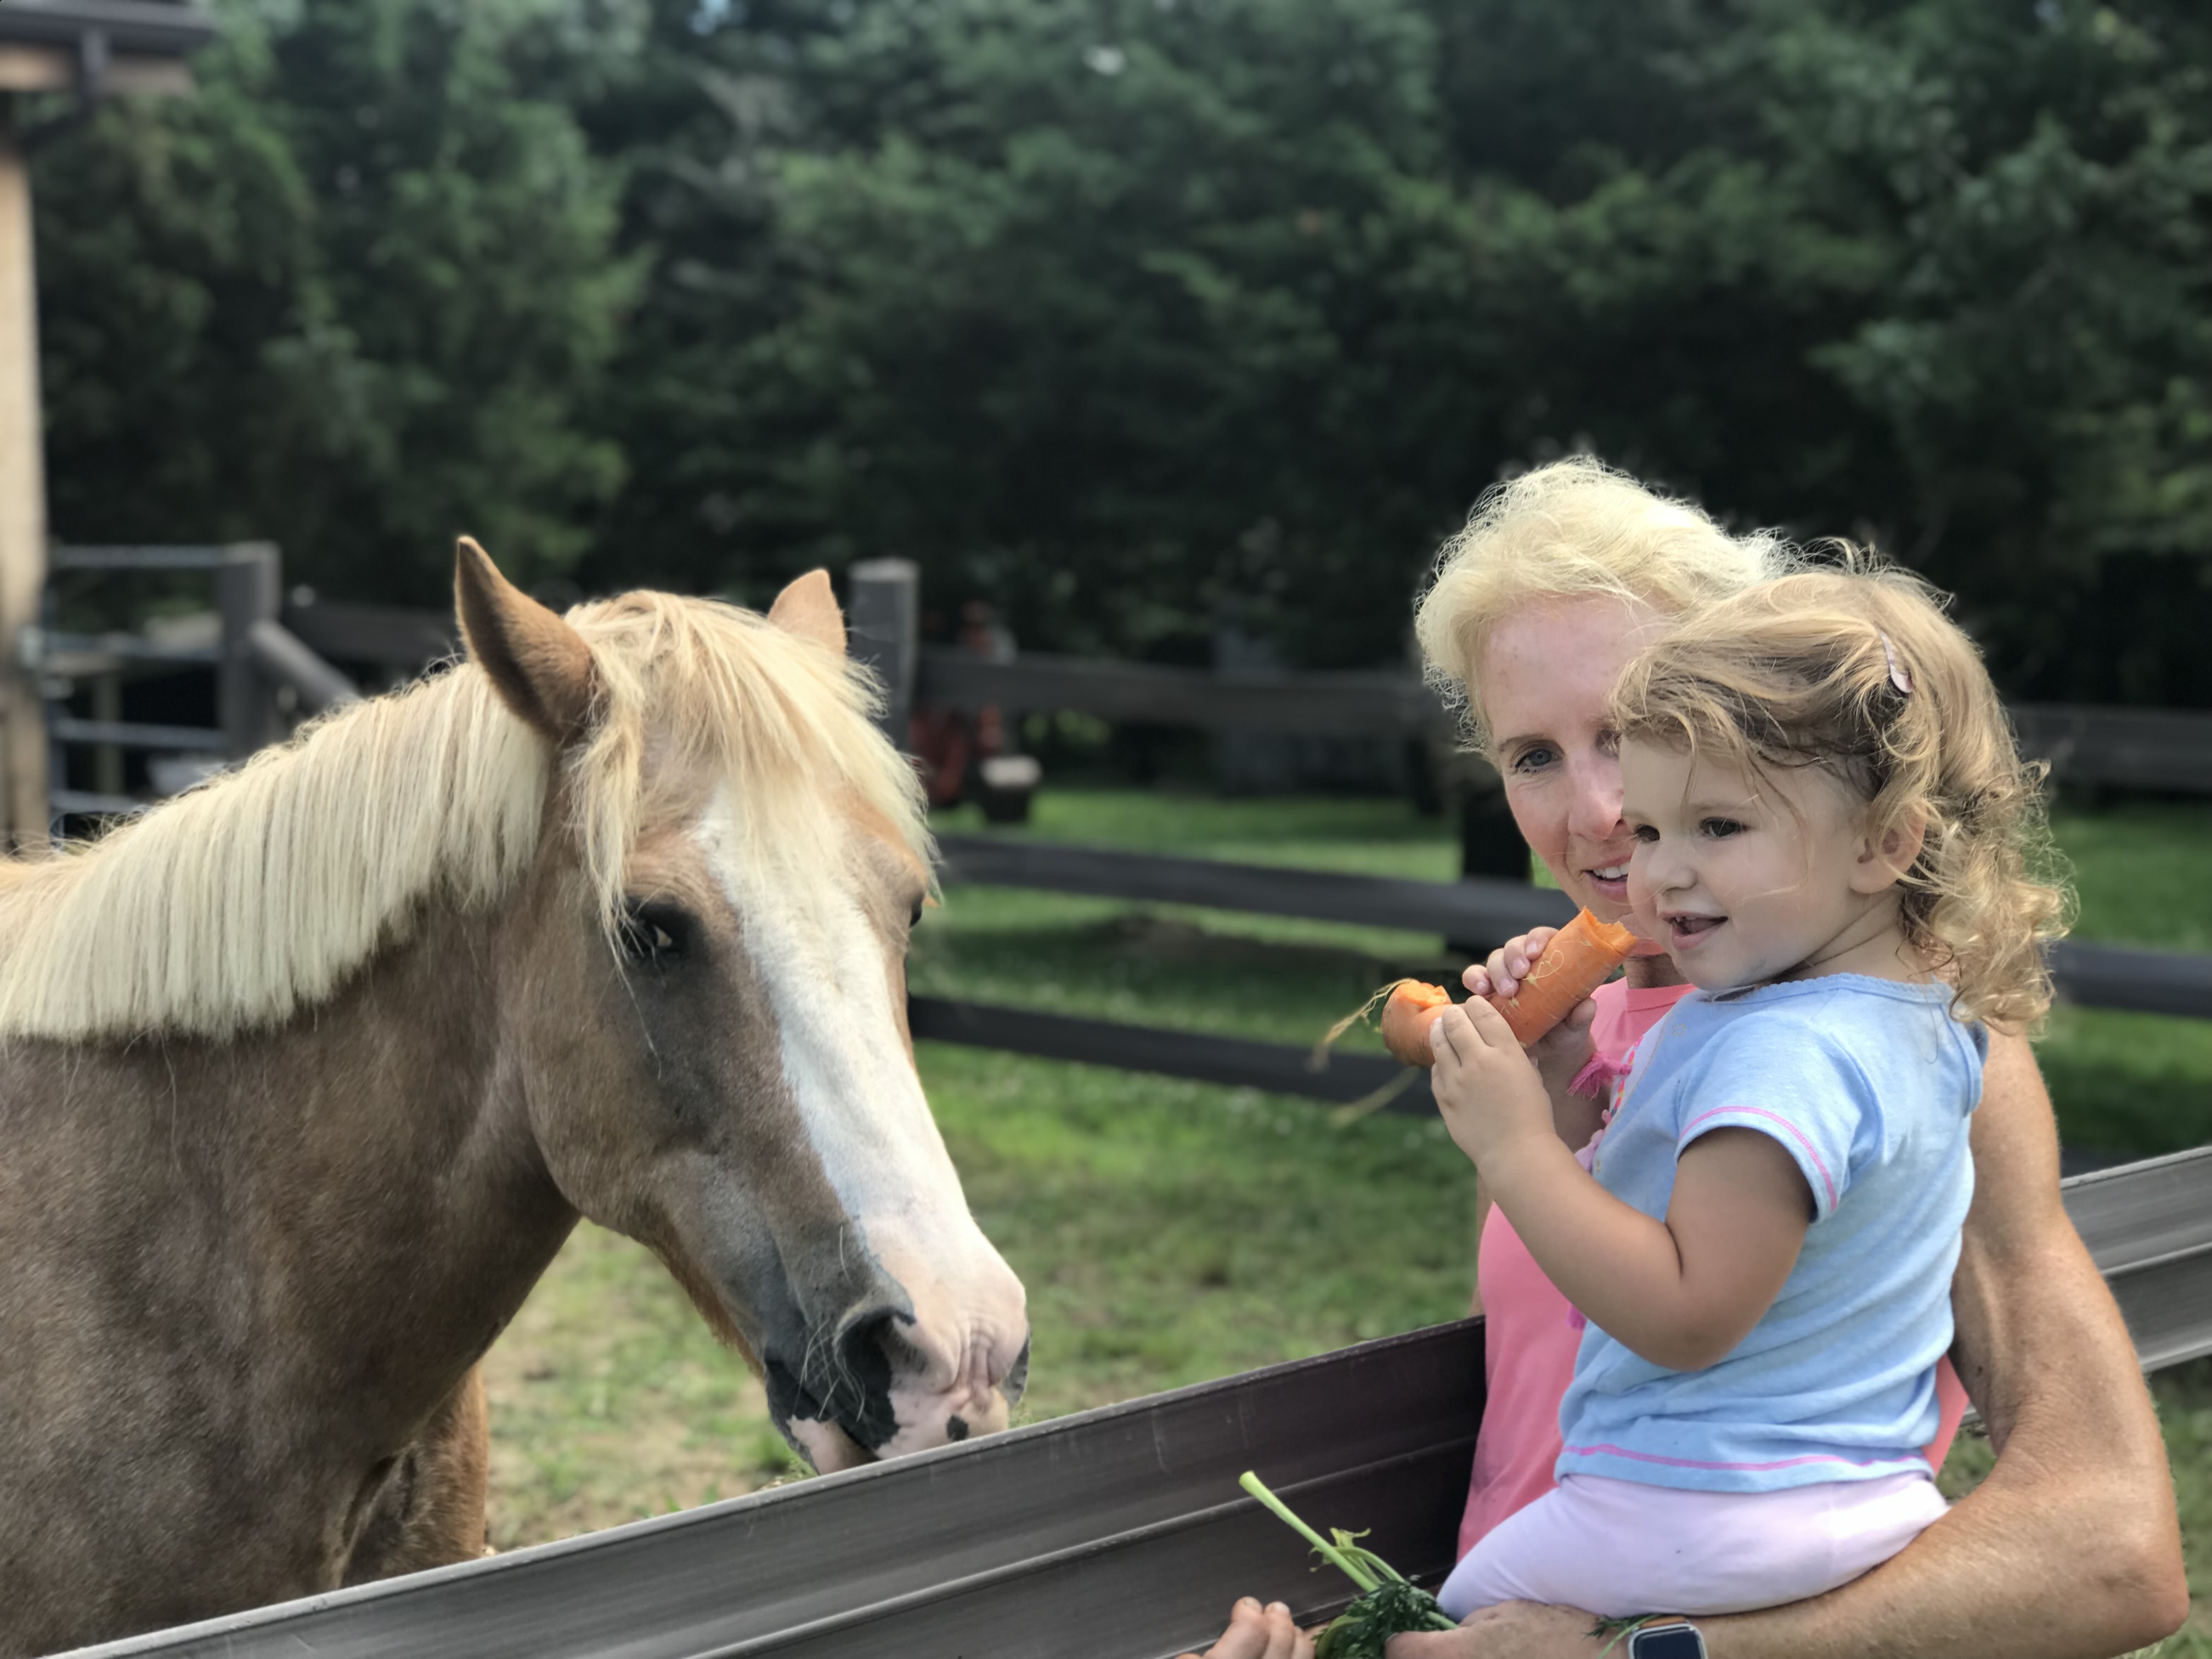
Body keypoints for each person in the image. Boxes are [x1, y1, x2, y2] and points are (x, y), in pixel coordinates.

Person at [1179, 459, 2183, 1659]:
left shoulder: (1900, 1037)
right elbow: (1548, 1441)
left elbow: (2112, 1553)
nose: (1597, 811)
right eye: (1533, 755)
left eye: (1628, 734)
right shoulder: (1586, 1042)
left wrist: (1633, 1656)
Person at [1434, 561, 2057, 1618]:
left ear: (1885, 842)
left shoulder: (1780, 1049)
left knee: (1456, 1617)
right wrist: (1567, 1102)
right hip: (1863, 1497)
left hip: (1701, 1503)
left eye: (1717, 827)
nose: (1656, 872)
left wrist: (1514, 1147)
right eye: (1654, 831)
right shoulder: (1925, 1023)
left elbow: (1688, 1314)